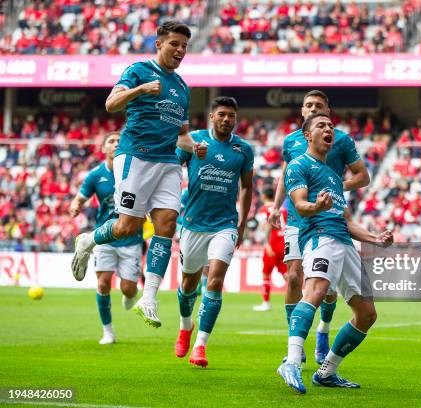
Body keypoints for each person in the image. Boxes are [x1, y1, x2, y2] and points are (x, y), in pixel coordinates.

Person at [70, 21, 207, 328]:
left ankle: (149, 298)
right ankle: (88, 240)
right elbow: (110, 104)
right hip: (135, 157)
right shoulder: (138, 71)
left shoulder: (183, 88)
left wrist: (194, 145)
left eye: (185, 46)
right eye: (175, 44)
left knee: (167, 224)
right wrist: (141, 89)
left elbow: (182, 135)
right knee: (126, 226)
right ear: (159, 44)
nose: (180, 50)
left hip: (168, 162)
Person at [278, 113, 393, 393]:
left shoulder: (333, 175)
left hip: (345, 243)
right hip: (320, 238)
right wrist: (316, 207)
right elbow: (301, 205)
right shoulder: (298, 165)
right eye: (321, 126)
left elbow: (348, 220)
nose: (328, 129)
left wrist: (374, 238)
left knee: (366, 314)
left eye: (331, 126)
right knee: (315, 292)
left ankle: (327, 371)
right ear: (308, 135)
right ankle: (292, 362)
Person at [268, 90, 370, 364]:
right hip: (298, 215)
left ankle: (323, 330)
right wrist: (276, 206)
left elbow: (363, 176)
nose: (313, 109)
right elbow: (285, 175)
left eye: (319, 106)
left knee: (328, 288)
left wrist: (335, 186)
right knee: (293, 276)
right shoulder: (291, 142)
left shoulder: (340, 139)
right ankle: (295, 347)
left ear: (327, 110)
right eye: (308, 106)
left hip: (329, 216)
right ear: (302, 112)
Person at [173, 96, 254, 367]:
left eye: (231, 115)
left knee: (216, 280)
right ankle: (186, 326)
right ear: (211, 116)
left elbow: (246, 188)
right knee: (188, 285)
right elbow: (172, 169)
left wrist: (241, 224)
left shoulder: (243, 149)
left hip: (225, 225)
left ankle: (200, 346)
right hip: (193, 223)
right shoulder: (194, 140)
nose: (226, 119)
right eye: (221, 114)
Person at [69, 132, 143, 344]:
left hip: (131, 238)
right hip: (104, 237)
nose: (116, 144)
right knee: (102, 285)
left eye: (119, 141)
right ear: (103, 148)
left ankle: (129, 295)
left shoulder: (133, 171)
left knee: (129, 289)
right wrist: (75, 206)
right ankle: (108, 332)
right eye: (111, 141)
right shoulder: (95, 175)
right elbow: (81, 197)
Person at [253, 187, 288, 312]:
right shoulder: (282, 209)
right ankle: (300, 297)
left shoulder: (263, 210)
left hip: (273, 243)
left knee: (266, 273)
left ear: (263, 196)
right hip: (284, 242)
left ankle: (266, 303)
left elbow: (266, 226)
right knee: (286, 273)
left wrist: (267, 244)